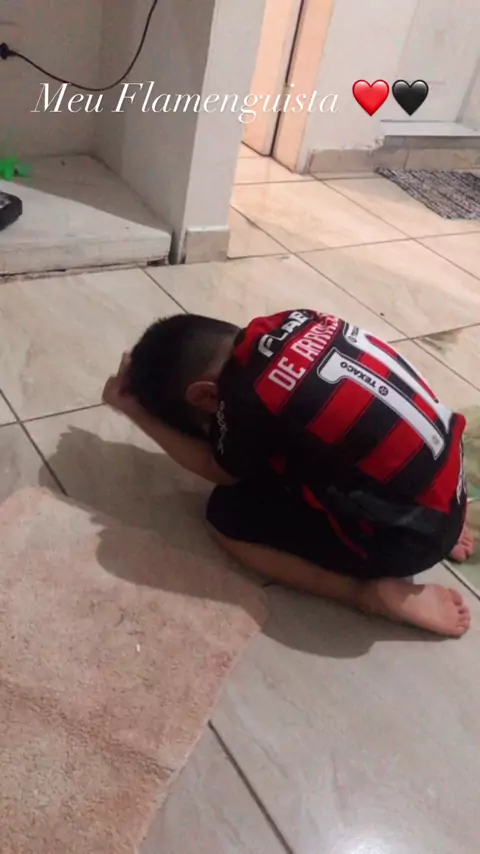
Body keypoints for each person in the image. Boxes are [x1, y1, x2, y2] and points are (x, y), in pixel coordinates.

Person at [102, 309, 474, 637]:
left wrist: (133, 408)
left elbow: (219, 470)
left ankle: (364, 593)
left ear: (205, 396)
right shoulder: (293, 321)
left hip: (412, 539)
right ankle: (434, 521)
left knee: (226, 517)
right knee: (296, 442)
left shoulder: (244, 399)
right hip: (445, 479)